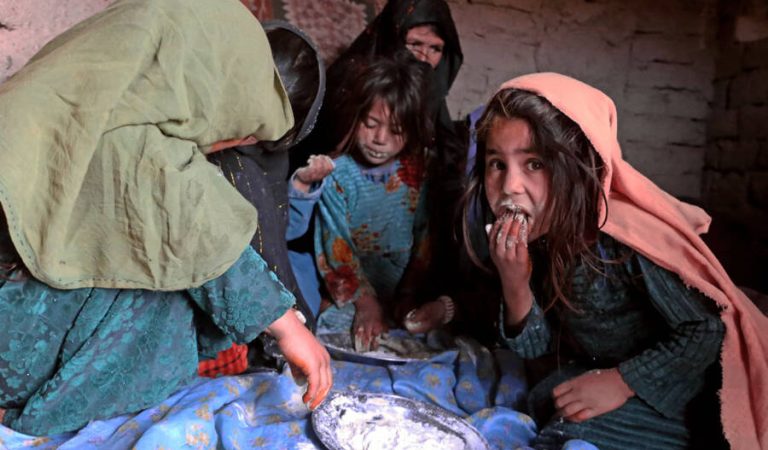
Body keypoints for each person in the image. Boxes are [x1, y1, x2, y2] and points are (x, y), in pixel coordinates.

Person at [0, 0, 331, 436]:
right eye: (245, 125)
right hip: (14, 333)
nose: (237, 138)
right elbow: (188, 216)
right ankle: (33, 419)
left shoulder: (78, 86)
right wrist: (288, 328)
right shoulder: (127, 141)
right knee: (173, 288)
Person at [460, 72, 768, 449]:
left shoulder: (624, 241)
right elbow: (535, 349)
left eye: (535, 164)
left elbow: (707, 330)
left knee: (571, 431)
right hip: (612, 366)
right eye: (497, 164)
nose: (510, 186)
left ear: (578, 168)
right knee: (544, 396)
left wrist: (622, 382)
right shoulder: (540, 236)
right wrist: (515, 282)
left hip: (685, 389)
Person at [202, 20, 326, 376]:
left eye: (266, 131)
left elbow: (274, 239)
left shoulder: (272, 158)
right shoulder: (225, 163)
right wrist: (281, 325)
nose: (246, 135)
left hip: (249, 296)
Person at [312, 54, 433, 350]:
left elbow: (425, 238)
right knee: (330, 328)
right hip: (354, 289)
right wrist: (366, 303)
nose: (380, 139)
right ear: (355, 117)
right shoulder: (337, 173)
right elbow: (336, 248)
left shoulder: (417, 171)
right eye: (371, 123)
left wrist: (408, 295)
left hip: (404, 287)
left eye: (395, 130)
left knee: (425, 331)